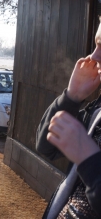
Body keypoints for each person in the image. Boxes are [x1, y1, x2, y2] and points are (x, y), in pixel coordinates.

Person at [36, 21, 101, 218]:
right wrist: (72, 97)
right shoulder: (97, 111)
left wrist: (88, 158)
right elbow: (46, 146)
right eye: (97, 45)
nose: (93, 57)